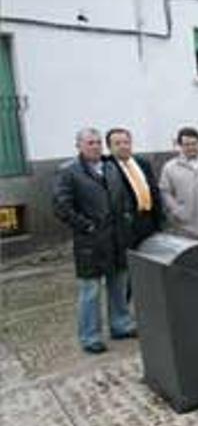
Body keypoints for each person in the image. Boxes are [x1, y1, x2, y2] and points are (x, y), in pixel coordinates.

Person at [53, 128, 137, 354]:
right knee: (90, 291)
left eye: (99, 142)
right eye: (90, 143)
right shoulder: (68, 171)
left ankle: (121, 325)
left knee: (118, 284)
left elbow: (124, 198)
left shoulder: (111, 167)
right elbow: (61, 207)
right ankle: (90, 337)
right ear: (79, 146)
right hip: (90, 242)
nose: (96, 146)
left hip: (117, 238)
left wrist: (127, 218)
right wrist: (87, 226)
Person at [106, 127, 163, 247]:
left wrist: (159, 219)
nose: (123, 146)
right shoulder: (107, 168)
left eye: (126, 142)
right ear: (109, 147)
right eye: (117, 143)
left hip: (149, 220)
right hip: (127, 225)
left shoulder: (142, 163)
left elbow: (154, 191)